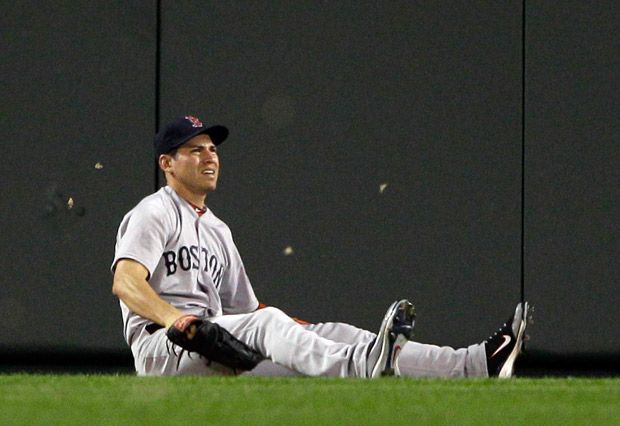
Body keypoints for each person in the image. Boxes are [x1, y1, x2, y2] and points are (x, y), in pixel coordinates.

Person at [111, 115, 530, 378]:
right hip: (164, 350)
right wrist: (175, 320)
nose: (209, 157)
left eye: (213, 149)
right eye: (194, 150)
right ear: (167, 163)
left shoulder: (218, 229)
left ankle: (476, 364)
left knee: (336, 333)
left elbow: (247, 311)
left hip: (218, 345)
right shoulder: (155, 211)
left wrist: (301, 329)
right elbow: (126, 282)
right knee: (277, 327)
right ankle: (362, 368)